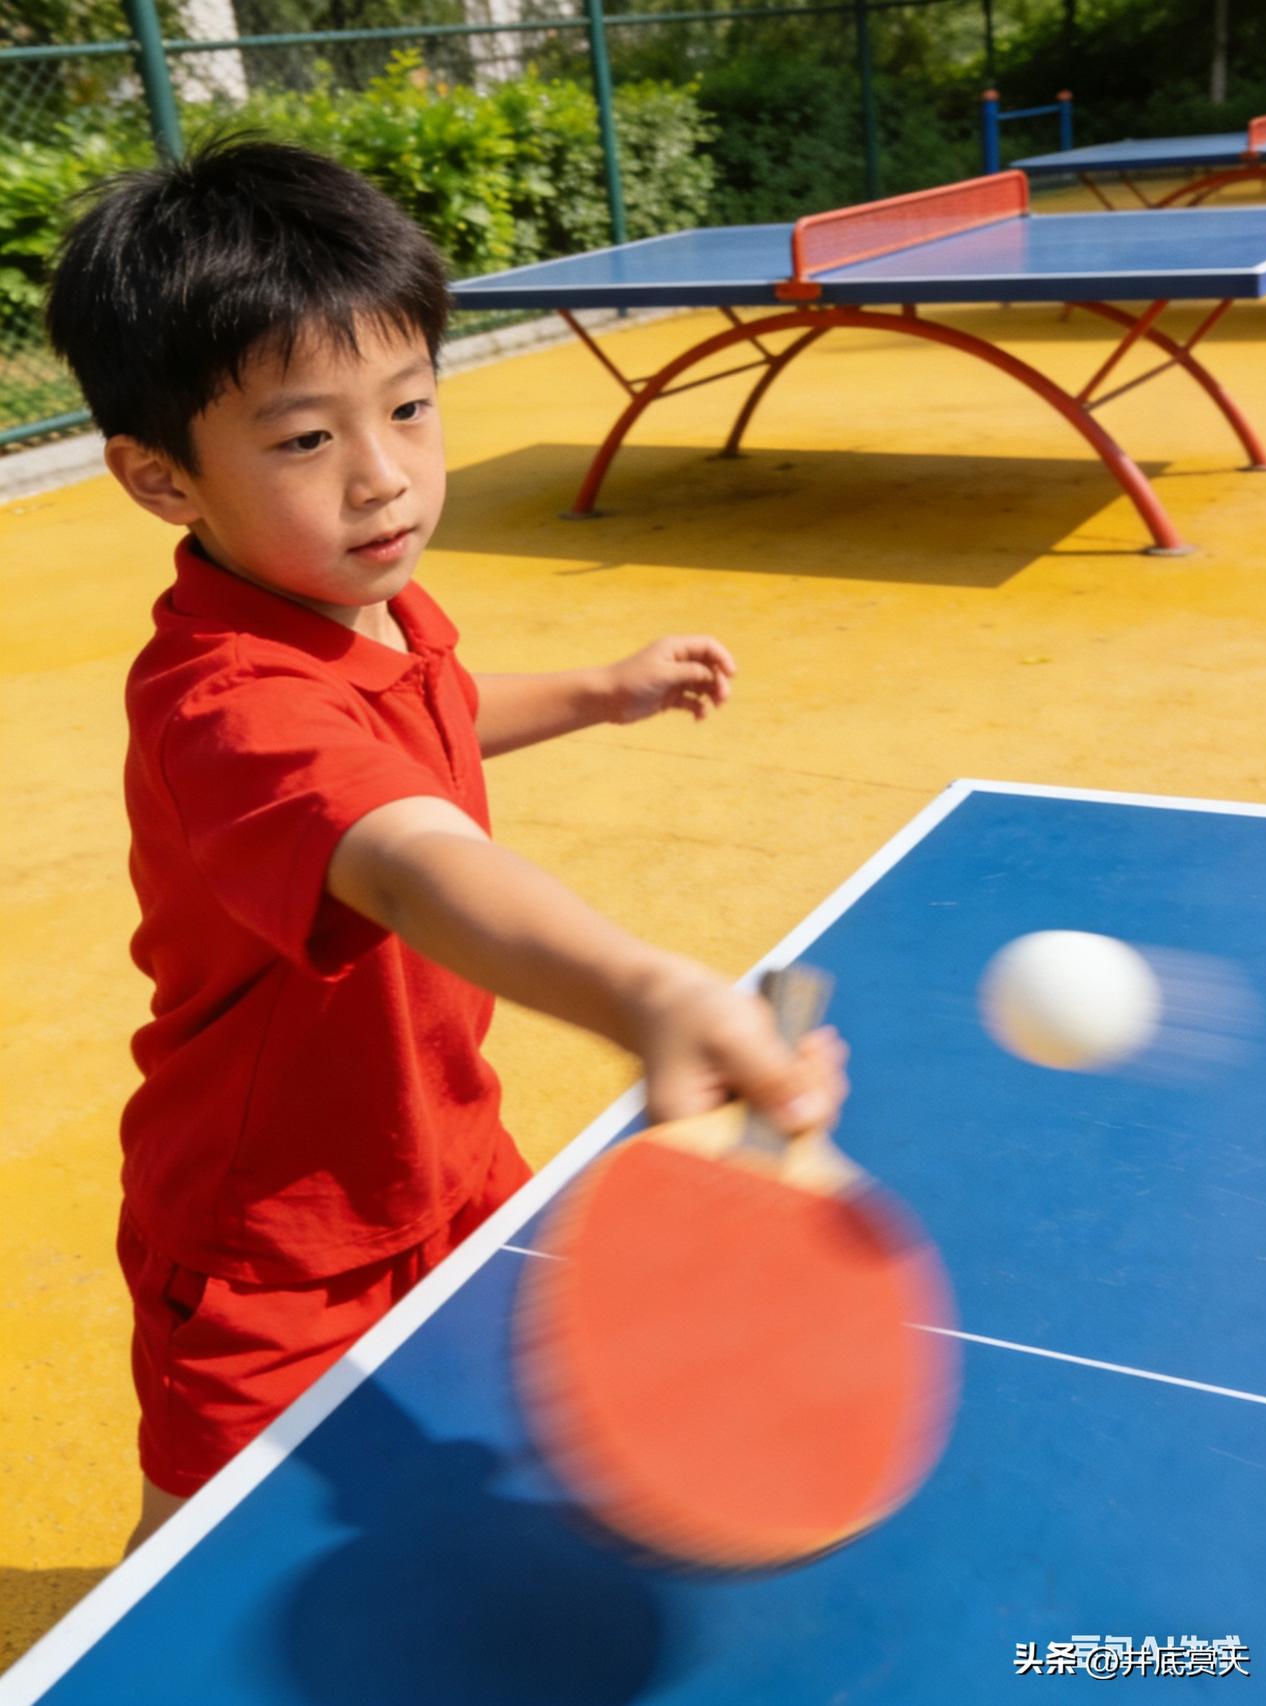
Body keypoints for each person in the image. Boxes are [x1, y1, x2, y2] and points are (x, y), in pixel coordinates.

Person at [45, 135, 848, 1552]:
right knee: (192, 1557)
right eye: (305, 438)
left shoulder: (374, 609)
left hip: (451, 1160)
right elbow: (410, 854)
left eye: (411, 407)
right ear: (160, 478)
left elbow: (431, 720)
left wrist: (598, 690)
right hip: (265, 1240)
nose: (383, 478)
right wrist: (641, 987)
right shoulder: (224, 708)